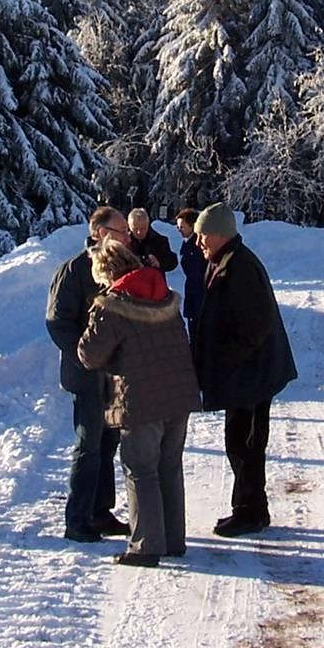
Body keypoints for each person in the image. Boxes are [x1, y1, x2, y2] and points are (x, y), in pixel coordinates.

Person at [77, 241, 200, 567]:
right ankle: (173, 539)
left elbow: (90, 355)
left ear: (106, 272)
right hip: (179, 394)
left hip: (141, 398)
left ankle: (145, 545)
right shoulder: (162, 293)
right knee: (169, 467)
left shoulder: (113, 304)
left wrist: (91, 320)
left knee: (140, 469)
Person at [191, 203, 298, 536]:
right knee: (239, 442)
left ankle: (250, 512)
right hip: (245, 373)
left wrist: (227, 358)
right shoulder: (227, 260)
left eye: (202, 236)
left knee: (246, 444)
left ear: (220, 233)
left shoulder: (240, 266)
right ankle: (250, 508)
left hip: (251, 374)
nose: (198, 243)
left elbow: (256, 325)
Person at [45, 206, 134, 542]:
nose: (126, 236)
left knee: (108, 442)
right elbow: (57, 322)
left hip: (114, 375)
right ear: (99, 233)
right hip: (87, 376)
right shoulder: (74, 270)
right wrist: (86, 355)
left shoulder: (119, 267)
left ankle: (100, 511)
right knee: (88, 445)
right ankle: (77, 518)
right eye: (120, 230)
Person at [175, 208, 206, 338]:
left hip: (199, 294)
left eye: (182, 227)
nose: (179, 230)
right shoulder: (187, 243)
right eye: (178, 227)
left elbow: (196, 271)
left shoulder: (197, 245)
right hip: (193, 293)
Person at [127, 207, 179, 274]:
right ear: (129, 226)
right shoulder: (124, 242)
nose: (139, 232)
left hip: (154, 281)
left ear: (148, 225)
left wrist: (159, 263)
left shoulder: (159, 241)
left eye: (143, 228)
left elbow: (172, 262)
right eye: (135, 228)